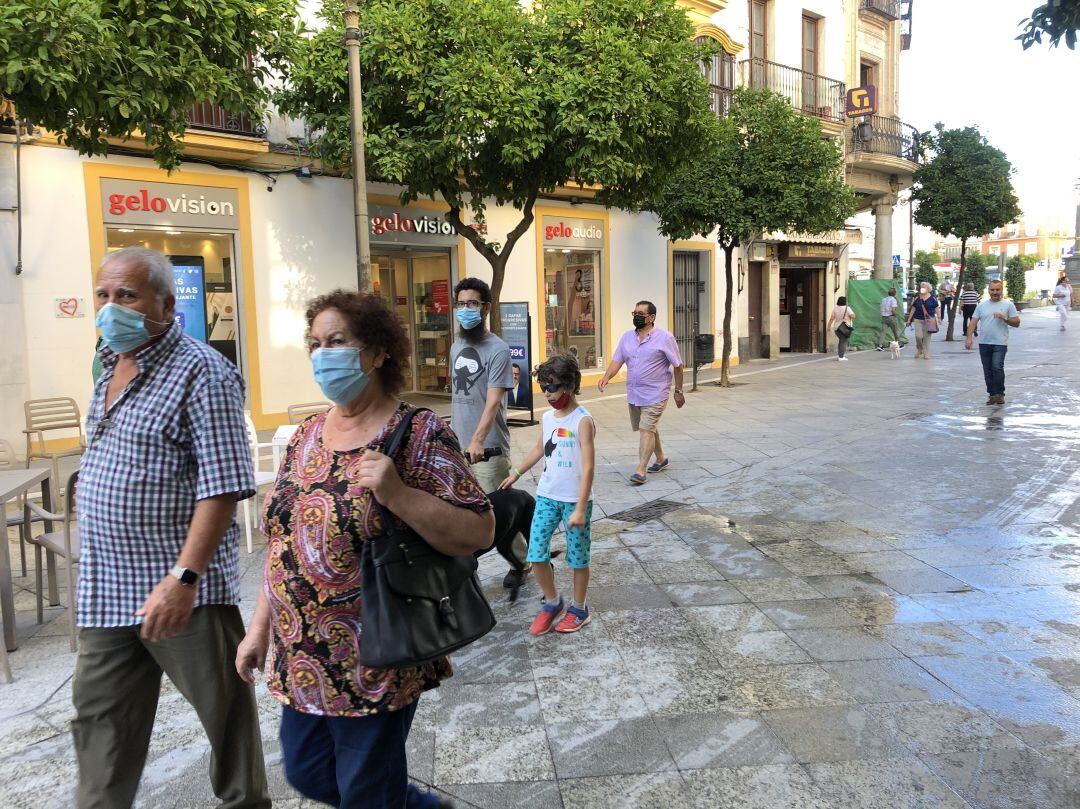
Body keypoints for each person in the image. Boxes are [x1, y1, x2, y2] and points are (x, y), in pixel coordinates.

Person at [236, 290, 493, 808]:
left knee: (366, 793)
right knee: (308, 773)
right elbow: (282, 542)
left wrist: (398, 494)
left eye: (337, 341)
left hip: (375, 654)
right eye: (315, 343)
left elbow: (480, 530)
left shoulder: (416, 432)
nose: (322, 354)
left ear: (377, 353)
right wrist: (259, 628)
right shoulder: (306, 436)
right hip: (301, 654)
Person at [75, 247, 268, 808]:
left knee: (225, 721)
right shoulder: (110, 364)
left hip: (183, 591)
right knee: (99, 722)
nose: (112, 308)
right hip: (107, 588)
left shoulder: (203, 370)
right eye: (104, 296)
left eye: (127, 296)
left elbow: (224, 484)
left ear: (164, 302)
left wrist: (185, 577)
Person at [499, 354, 595, 635]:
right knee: (536, 552)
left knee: (578, 558)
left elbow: (589, 467)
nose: (548, 394)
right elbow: (540, 448)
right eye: (544, 387)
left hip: (575, 501)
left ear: (570, 384)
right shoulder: (547, 417)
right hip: (547, 495)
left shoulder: (583, 420)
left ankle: (579, 608)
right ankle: (553, 602)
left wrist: (579, 507)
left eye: (553, 387)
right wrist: (516, 473)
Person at [598, 300, 685, 485]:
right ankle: (661, 458)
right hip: (635, 394)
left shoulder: (665, 338)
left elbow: (678, 365)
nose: (637, 316)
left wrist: (678, 390)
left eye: (641, 314)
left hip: (656, 393)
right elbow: (617, 360)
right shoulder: (627, 337)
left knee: (646, 429)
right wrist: (606, 377)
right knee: (649, 427)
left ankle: (641, 470)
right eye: (635, 313)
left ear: (652, 318)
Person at [449, 277, 515, 494]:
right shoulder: (456, 345)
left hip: (487, 452)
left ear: (486, 308)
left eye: (472, 304)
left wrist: (478, 441)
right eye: (461, 304)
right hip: (458, 451)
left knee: (497, 519)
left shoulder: (499, 349)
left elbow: (494, 401)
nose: (465, 309)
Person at [966, 279, 1020, 405]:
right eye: (992, 290)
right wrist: (969, 338)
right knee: (987, 370)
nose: (995, 292)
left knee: (997, 367)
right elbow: (973, 322)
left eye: (997, 289)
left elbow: (1017, 323)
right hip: (984, 343)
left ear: (1002, 290)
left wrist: (1004, 318)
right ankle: (992, 394)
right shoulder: (981, 305)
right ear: (988, 290)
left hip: (1000, 343)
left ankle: (1000, 394)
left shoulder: (1008, 305)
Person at [905, 282, 940, 359]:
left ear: (928, 289)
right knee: (918, 336)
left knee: (927, 338)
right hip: (918, 319)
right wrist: (909, 320)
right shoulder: (917, 297)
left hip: (929, 320)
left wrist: (939, 318)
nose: (922, 289)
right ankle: (920, 349)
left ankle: (926, 353)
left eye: (924, 287)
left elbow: (937, 308)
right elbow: (913, 309)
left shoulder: (932, 298)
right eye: (921, 287)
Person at [827, 295, 855, 361]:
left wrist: (829, 327)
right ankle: (841, 357)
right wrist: (851, 315)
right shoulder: (847, 308)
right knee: (843, 342)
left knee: (841, 341)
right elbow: (853, 316)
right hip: (845, 328)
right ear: (845, 302)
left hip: (837, 328)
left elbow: (831, 319)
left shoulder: (835, 309)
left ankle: (841, 356)